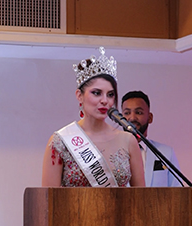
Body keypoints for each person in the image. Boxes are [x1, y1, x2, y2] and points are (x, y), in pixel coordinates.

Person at [42, 47, 145, 188]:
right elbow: (48, 201)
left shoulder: (128, 140)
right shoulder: (60, 141)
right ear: (79, 96)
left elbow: (141, 198)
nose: (105, 101)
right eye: (97, 93)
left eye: (110, 94)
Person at [121, 90, 182, 187]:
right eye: (127, 113)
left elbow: (177, 192)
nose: (132, 118)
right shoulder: (111, 152)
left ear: (150, 118)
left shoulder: (166, 153)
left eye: (138, 112)